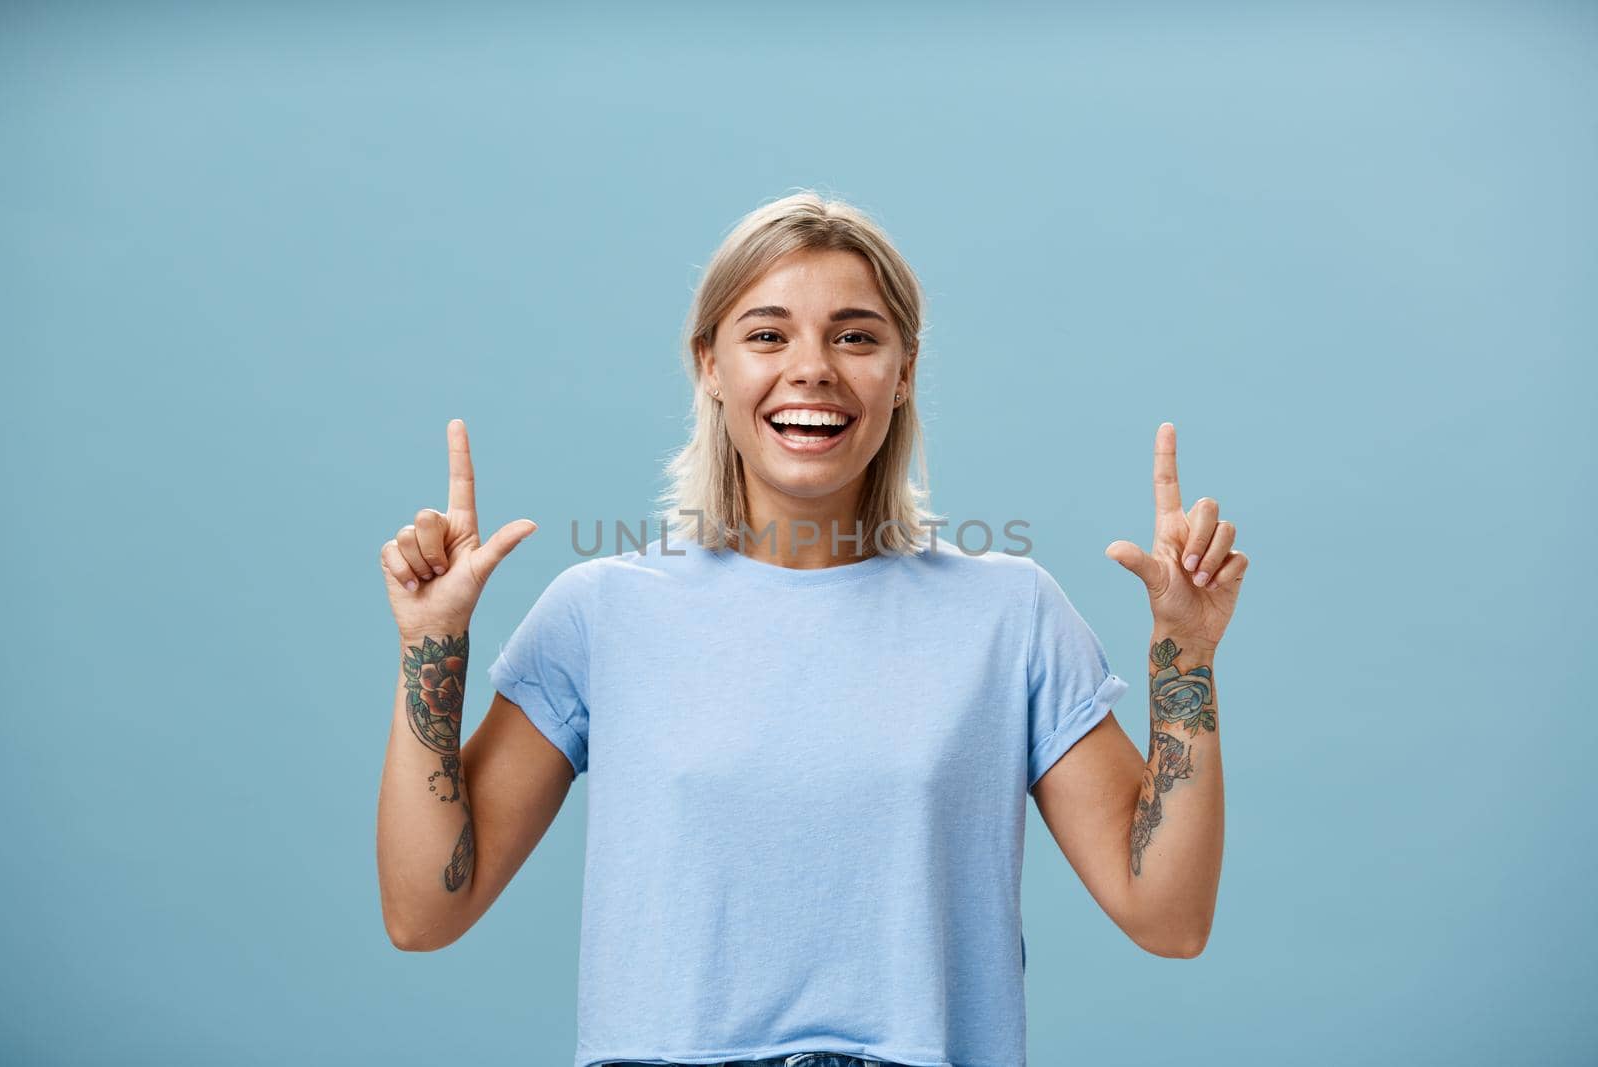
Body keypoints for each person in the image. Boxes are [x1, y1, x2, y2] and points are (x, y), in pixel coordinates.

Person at [375, 192, 1246, 1067]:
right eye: (766, 334)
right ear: (708, 364)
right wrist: (430, 644)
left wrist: (1188, 654)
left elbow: (1168, 918)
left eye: (856, 335)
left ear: (903, 372)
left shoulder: (1011, 614)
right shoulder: (599, 611)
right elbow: (425, 911)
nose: (813, 368)